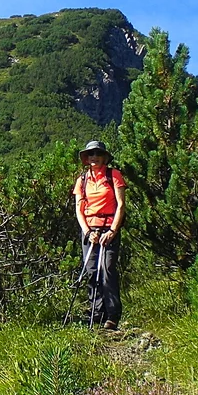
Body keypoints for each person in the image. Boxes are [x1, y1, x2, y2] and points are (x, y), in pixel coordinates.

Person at [73, 140, 126, 330]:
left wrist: (113, 230)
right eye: (90, 154)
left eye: (97, 154)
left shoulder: (114, 176)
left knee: (107, 269)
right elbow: (79, 209)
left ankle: (112, 315)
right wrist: (87, 232)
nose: (94, 157)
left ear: (104, 157)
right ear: (86, 159)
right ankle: (96, 312)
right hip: (90, 229)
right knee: (91, 270)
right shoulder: (82, 180)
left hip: (109, 228)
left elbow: (120, 205)